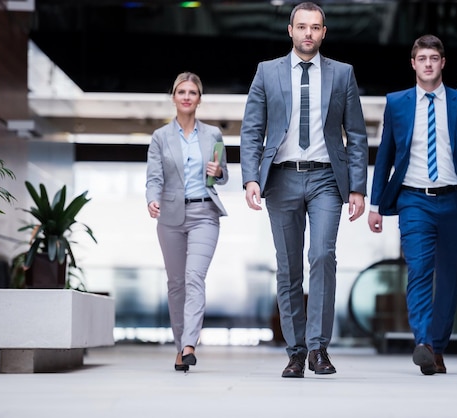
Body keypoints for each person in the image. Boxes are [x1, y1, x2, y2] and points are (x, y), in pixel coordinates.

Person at [240, 2, 368, 378]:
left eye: (315, 27)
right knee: (288, 267)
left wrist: (357, 187)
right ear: (290, 30)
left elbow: (356, 135)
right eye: (302, 26)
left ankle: (318, 349)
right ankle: (295, 352)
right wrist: (251, 177)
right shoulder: (267, 72)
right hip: (281, 178)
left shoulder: (342, 75)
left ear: (324, 33)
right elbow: (251, 130)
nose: (308, 33)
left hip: (327, 178)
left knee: (323, 256)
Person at [367, 34, 457, 375]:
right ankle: (423, 341)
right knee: (419, 270)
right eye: (421, 58)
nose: (427, 64)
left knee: (449, 279)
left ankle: (437, 346)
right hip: (412, 200)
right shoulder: (398, 103)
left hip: (454, 201)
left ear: (442, 63)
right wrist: (375, 204)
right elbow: (386, 156)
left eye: (433, 58)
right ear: (413, 63)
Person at [146, 72, 229, 372]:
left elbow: (224, 174)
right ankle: (180, 345)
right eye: (181, 91)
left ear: (199, 99)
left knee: (194, 277)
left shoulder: (213, 135)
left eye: (192, 92)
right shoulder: (160, 137)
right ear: (173, 97)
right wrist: (151, 199)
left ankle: (190, 344)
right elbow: (154, 177)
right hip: (169, 216)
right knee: (176, 284)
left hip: (205, 213)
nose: (186, 96)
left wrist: (218, 172)